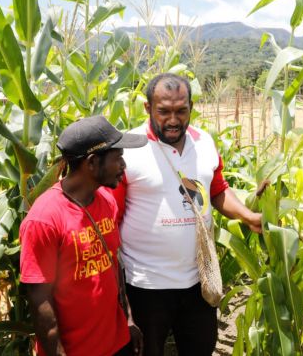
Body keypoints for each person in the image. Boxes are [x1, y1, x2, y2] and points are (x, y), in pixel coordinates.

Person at [110, 73, 262, 356]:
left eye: (181, 111)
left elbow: (217, 190)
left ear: (191, 106)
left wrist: (247, 215)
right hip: (145, 284)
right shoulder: (127, 150)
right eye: (163, 111)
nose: (173, 120)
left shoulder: (204, 142)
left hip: (198, 282)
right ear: (147, 108)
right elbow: (111, 214)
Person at [20, 115, 147, 356]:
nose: (124, 166)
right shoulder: (45, 219)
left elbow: (112, 263)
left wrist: (128, 318)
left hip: (117, 342)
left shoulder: (107, 201)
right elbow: (40, 300)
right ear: (91, 162)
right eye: (118, 157)